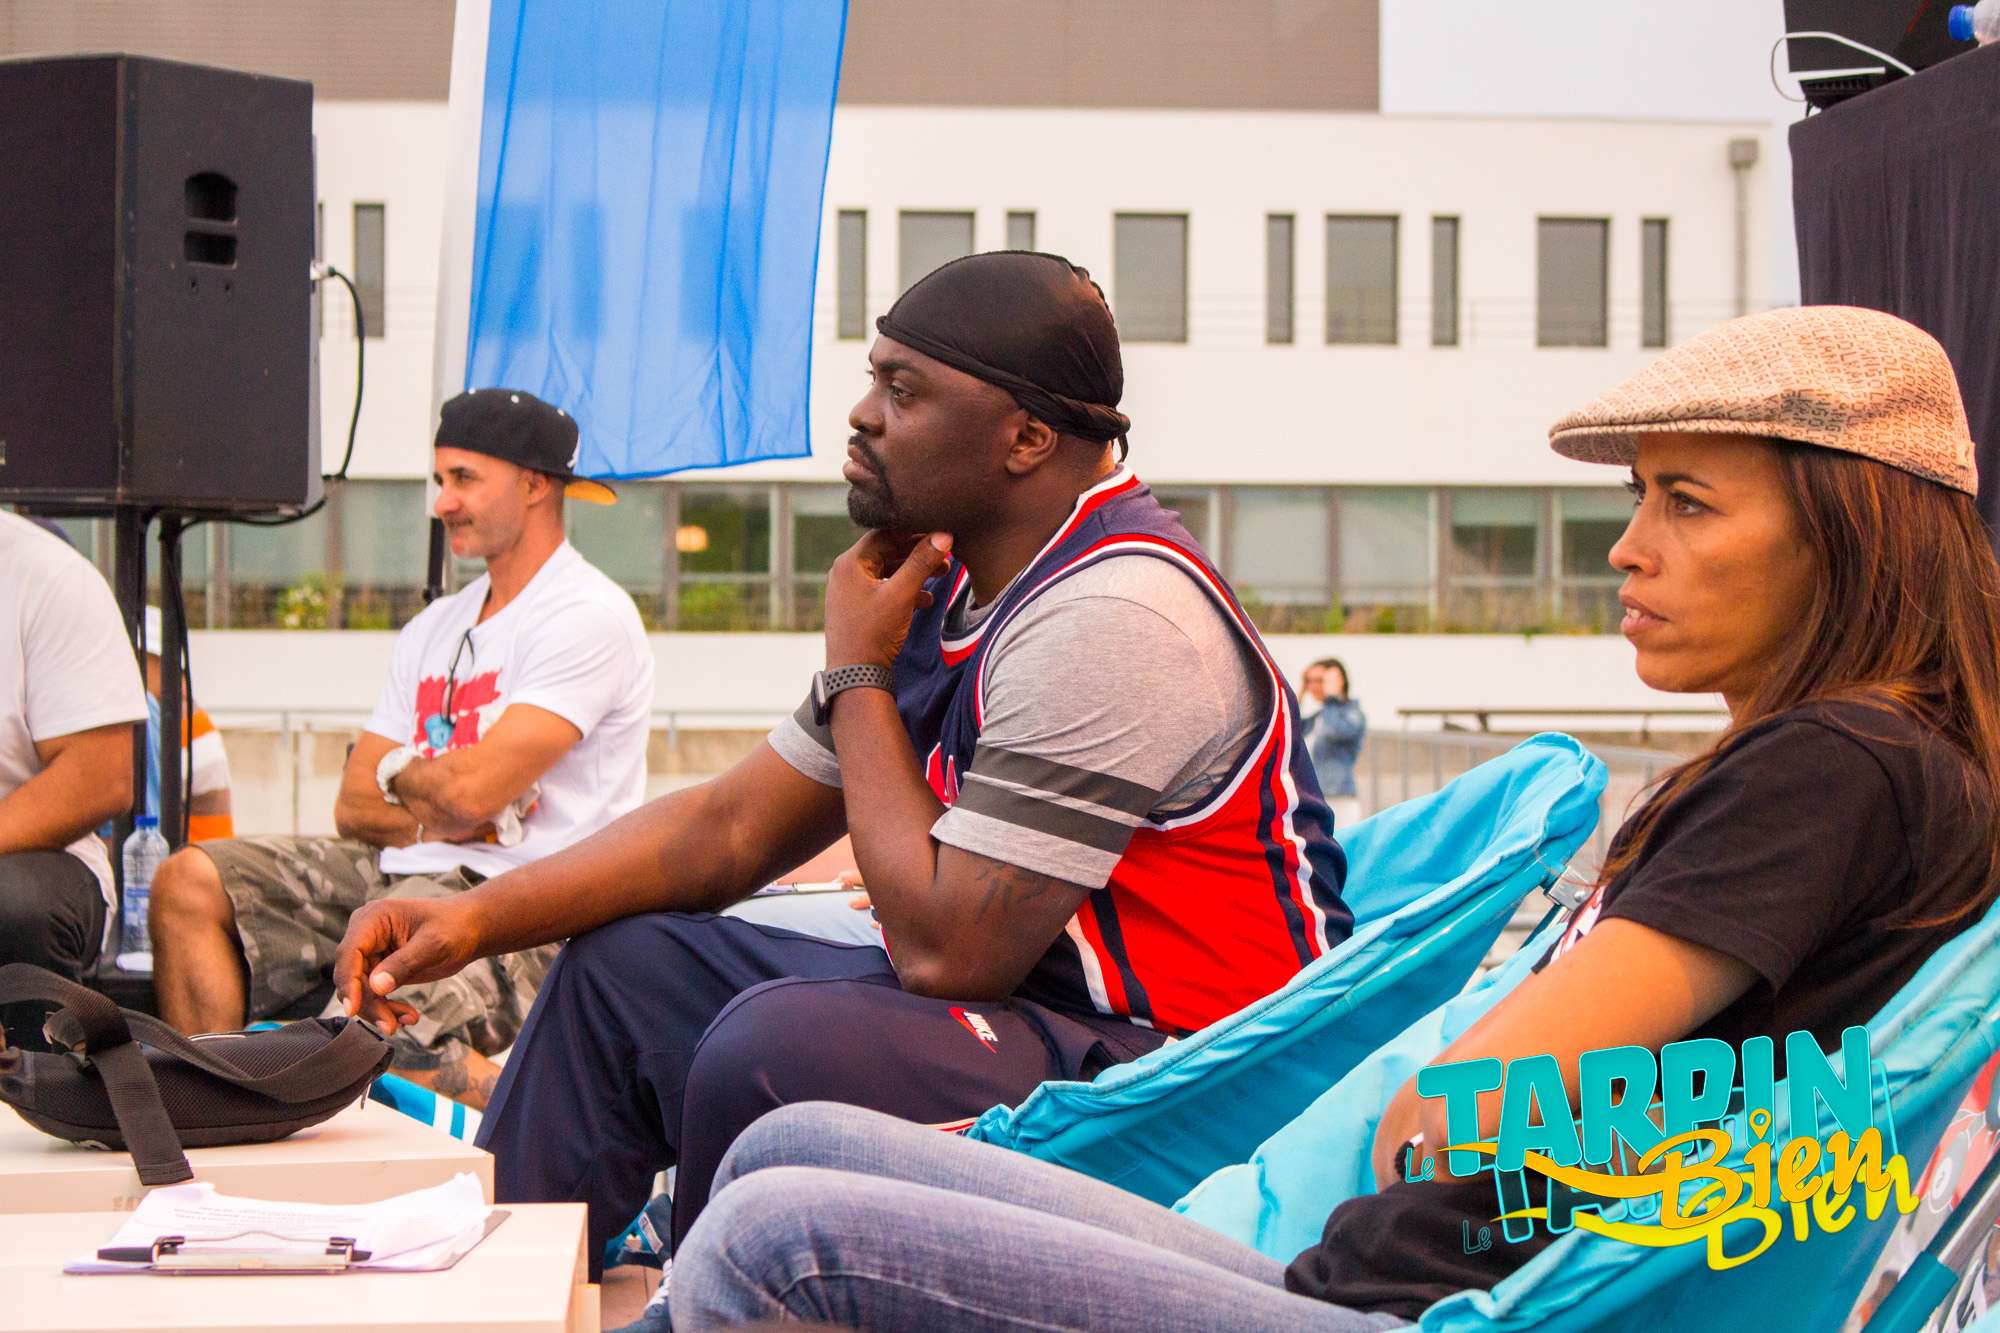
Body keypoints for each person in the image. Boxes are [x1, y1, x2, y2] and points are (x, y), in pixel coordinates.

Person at [663, 305, 2000, 1330]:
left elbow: (1468, 1114)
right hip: (1356, 1273)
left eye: (1687, 503)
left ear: (1846, 532)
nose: (1627, 546)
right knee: (791, 1141)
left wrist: (1452, 1106)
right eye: (1638, 496)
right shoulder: (1886, 765)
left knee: (776, 1237)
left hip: (1413, 1308)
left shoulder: (1833, 769)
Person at [329, 251, 1353, 1281]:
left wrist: (858, 670)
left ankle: (704, 1298)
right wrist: (473, 920)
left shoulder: (1113, 612)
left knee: (775, 1048)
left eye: (902, 391)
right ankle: (501, 1293)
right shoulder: (941, 583)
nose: (862, 416)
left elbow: (949, 955)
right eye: (873, 380)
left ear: (1026, 438)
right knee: (623, 975)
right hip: (1048, 1012)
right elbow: (730, 830)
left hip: (1190, 1069)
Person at [148, 388, 653, 1109]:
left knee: (362, 1032)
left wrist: (413, 778)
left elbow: (470, 793)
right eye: (440, 479)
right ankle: (218, 1114)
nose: (442, 502)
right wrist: (424, 801)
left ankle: (584, 1116)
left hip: (521, 902)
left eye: (464, 479)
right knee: (186, 883)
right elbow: (354, 803)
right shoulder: (436, 626)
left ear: (536, 484)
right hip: (399, 871)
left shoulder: (587, 615)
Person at [0, 509, 145, 1048]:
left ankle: (34, 1081)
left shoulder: (48, 576)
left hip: (29, 856)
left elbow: (100, 777)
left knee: (15, 904)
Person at [135, 605, 235, 842]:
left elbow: (148, 824)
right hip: (204, 854)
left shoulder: (164, 717)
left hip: (187, 855)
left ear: (160, 662)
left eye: (139, 659)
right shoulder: (189, 714)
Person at [1305, 656, 1366, 826]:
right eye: (1308, 680)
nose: (1312, 686)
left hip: (1338, 799)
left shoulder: (1351, 714)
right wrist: (1299, 692)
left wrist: (1331, 698)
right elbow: (1290, 727)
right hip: (1314, 797)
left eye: (1319, 680)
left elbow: (1335, 732)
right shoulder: (1318, 717)